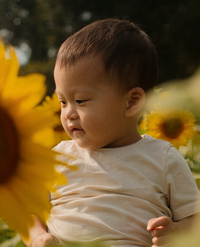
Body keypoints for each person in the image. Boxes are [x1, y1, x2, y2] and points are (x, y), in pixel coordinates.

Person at [24, 19, 200, 247]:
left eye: (79, 100)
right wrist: (38, 237)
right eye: (63, 101)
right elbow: (30, 212)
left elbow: (194, 220)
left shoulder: (163, 159)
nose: (68, 113)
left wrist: (175, 231)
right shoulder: (56, 158)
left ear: (131, 102)